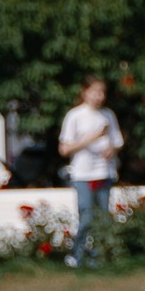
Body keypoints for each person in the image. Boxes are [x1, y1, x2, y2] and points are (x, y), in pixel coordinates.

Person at [58, 76, 122, 265]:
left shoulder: (108, 115)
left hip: (104, 172)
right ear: (85, 92)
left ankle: (98, 257)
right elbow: (64, 149)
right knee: (86, 215)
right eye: (95, 92)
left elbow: (117, 141)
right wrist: (92, 137)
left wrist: (112, 149)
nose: (99, 96)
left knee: (103, 215)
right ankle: (76, 255)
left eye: (102, 93)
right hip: (82, 174)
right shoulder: (75, 116)